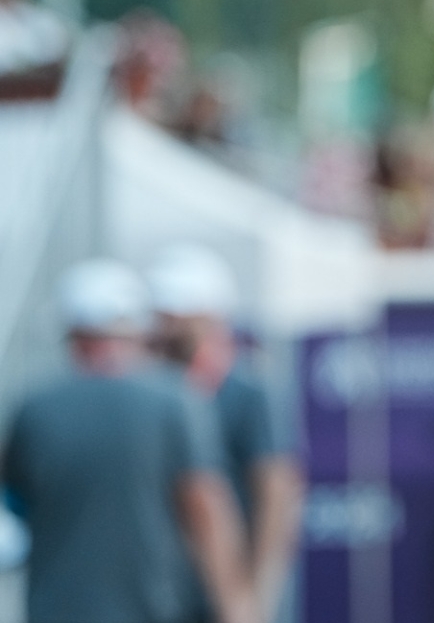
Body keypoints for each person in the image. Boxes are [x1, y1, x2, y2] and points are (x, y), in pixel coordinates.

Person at [2, 260, 257, 623]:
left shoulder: (34, 409)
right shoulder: (175, 401)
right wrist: (238, 611)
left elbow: (15, 503)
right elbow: (206, 508)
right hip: (154, 610)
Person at [148, 244, 305, 622]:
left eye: (178, 317)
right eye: (163, 317)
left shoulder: (247, 390)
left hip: (224, 595)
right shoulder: (150, 392)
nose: (168, 329)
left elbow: (277, 491)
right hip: (163, 592)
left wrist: (255, 595)